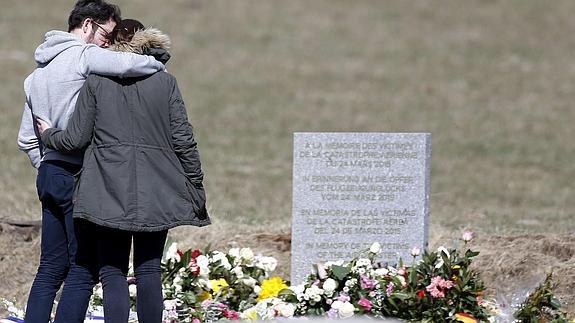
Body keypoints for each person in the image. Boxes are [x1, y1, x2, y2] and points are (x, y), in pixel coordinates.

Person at [37, 19, 210, 322]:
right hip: (158, 188)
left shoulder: (96, 81)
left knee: (111, 270)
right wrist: (195, 182)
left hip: (107, 187)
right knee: (149, 268)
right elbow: (184, 139)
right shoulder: (166, 81)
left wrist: (49, 134)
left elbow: (75, 138)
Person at [16, 1, 166, 321]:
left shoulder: (36, 74)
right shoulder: (83, 56)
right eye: (106, 33)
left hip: (49, 172)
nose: (108, 42)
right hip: (77, 173)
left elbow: (27, 138)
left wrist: (47, 166)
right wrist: (158, 65)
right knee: (82, 269)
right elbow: (128, 65)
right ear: (87, 25)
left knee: (49, 269)